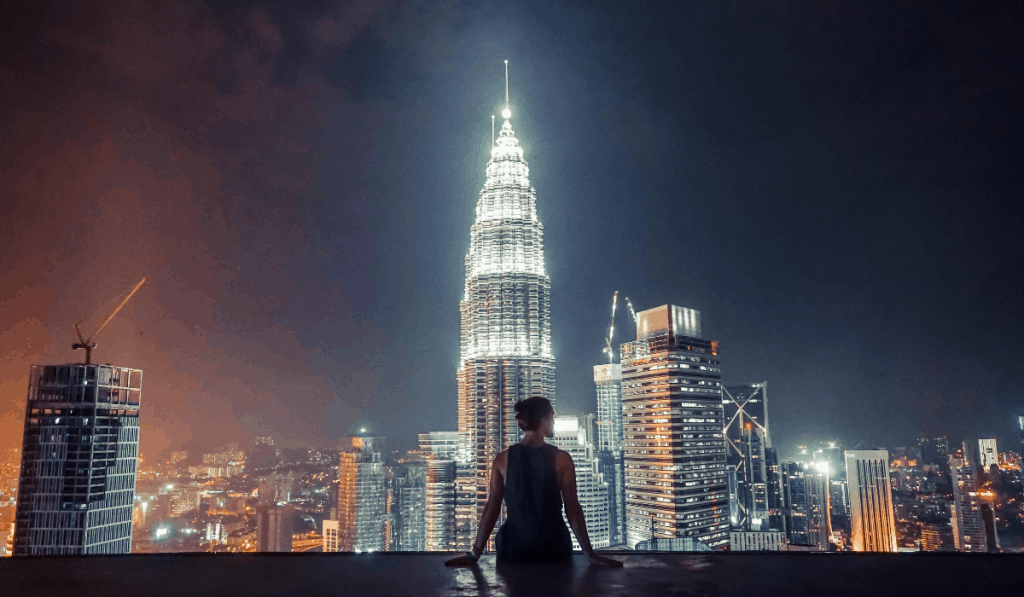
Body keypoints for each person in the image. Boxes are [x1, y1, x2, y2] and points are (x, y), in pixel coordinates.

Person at [445, 397, 622, 567]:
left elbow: (492, 506)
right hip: (553, 547)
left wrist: (475, 553)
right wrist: (589, 554)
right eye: (552, 417)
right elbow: (572, 507)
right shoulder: (562, 459)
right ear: (544, 419)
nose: (553, 422)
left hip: (513, 548)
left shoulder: (502, 460)